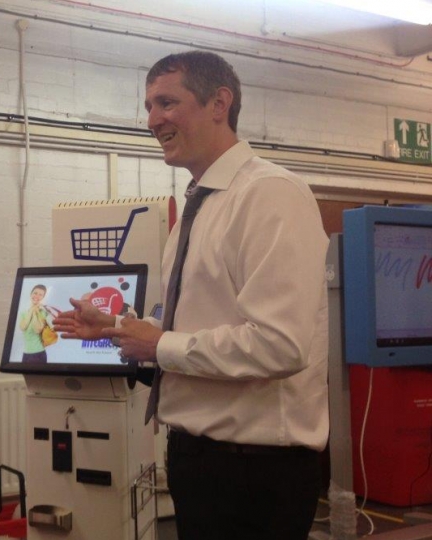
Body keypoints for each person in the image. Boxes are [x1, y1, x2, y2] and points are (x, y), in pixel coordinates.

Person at [54, 51, 328, 540]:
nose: (152, 119)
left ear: (219, 102)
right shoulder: (198, 207)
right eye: (149, 106)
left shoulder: (270, 195)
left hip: (255, 474)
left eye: (166, 102)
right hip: (200, 461)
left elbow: (280, 345)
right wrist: (118, 330)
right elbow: (195, 327)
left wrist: (158, 345)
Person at [19, 284, 50, 363]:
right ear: (31, 294)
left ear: (43, 298)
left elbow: (37, 330)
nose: (37, 296)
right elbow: (22, 327)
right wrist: (32, 309)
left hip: (39, 354)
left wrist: (35, 312)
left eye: (40, 295)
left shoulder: (43, 312)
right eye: (35, 293)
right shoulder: (23, 313)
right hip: (26, 354)